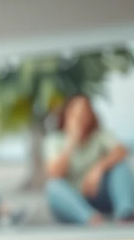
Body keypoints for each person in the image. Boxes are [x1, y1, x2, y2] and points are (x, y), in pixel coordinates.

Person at [44, 95, 133, 225]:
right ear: (68, 115)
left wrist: (98, 169)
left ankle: (125, 214)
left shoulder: (99, 135)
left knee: (121, 167)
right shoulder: (54, 140)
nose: (80, 118)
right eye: (76, 114)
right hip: (73, 200)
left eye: (84, 113)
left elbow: (122, 151)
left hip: (98, 194)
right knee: (53, 187)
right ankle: (91, 218)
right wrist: (72, 141)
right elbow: (55, 173)